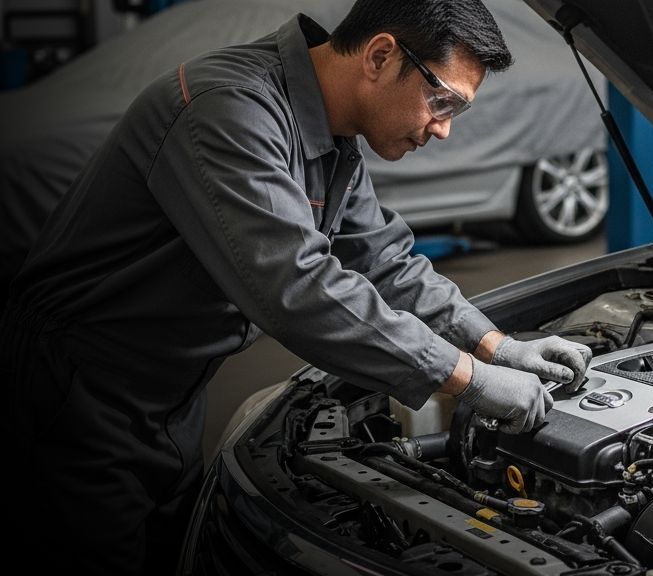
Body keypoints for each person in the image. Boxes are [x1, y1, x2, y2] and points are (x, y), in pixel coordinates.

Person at [0, 1, 591, 573]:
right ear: (380, 55)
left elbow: (385, 261)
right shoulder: (228, 110)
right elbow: (299, 290)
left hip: (169, 394)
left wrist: (498, 346)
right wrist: (470, 379)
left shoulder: (330, 134)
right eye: (442, 101)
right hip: (76, 392)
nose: (443, 129)